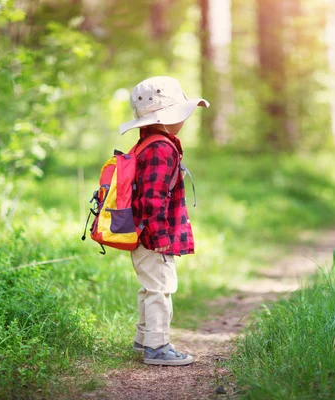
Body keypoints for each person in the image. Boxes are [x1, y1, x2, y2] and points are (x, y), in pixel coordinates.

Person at [118, 76, 209, 366]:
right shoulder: (161, 148)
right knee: (161, 288)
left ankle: (144, 339)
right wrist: (160, 238)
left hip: (141, 232)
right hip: (152, 235)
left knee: (150, 286)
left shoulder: (148, 143)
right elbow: (153, 198)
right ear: (168, 117)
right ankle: (157, 348)